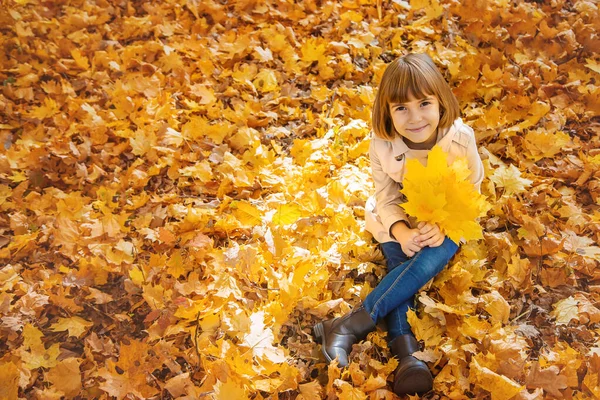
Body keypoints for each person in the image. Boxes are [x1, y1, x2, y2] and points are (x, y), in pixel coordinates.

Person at [313, 53, 484, 395]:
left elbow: (471, 192)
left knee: (427, 258)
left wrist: (443, 224)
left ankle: (350, 326)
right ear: (387, 112)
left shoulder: (460, 140)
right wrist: (400, 231)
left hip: (443, 220)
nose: (416, 117)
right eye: (401, 108)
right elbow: (386, 195)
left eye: (424, 103)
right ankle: (406, 356)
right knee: (400, 260)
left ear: (441, 101)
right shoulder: (382, 143)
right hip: (398, 217)